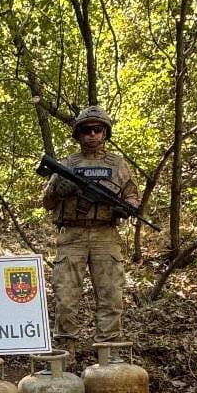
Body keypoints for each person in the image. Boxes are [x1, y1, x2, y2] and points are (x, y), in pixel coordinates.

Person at [41, 105, 139, 345]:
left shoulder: (118, 165)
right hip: (72, 235)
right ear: (78, 134)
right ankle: (65, 352)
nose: (92, 134)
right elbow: (47, 203)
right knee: (65, 296)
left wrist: (126, 208)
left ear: (105, 133)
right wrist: (58, 190)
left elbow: (132, 196)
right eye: (86, 130)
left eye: (98, 129)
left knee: (111, 295)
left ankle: (108, 352)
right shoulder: (67, 164)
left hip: (105, 235)